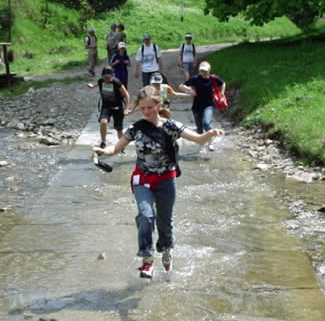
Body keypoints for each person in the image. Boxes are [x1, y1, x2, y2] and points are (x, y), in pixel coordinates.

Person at [93, 85, 225, 278]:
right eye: (142, 108)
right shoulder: (135, 129)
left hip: (166, 181)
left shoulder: (171, 126)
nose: (146, 111)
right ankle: (146, 259)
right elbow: (115, 149)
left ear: (158, 105)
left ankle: (166, 250)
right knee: (146, 216)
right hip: (142, 180)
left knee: (164, 224)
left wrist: (210, 134)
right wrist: (102, 151)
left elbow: (197, 139)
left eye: (150, 107)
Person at [179, 61, 226, 151]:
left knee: (206, 123)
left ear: (209, 70)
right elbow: (181, 86)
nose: (203, 73)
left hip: (208, 105)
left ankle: (210, 143)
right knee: (199, 128)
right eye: (201, 71)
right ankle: (201, 145)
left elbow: (223, 83)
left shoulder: (213, 78)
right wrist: (190, 90)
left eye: (205, 71)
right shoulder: (196, 78)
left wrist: (222, 93)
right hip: (196, 107)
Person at [87, 66, 130, 148]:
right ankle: (103, 142)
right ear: (102, 76)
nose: (106, 79)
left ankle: (121, 146)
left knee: (119, 129)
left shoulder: (117, 82)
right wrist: (91, 86)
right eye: (105, 77)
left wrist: (127, 108)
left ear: (112, 75)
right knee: (103, 122)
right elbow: (96, 84)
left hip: (118, 108)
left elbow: (126, 95)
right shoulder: (101, 81)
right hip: (106, 106)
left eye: (108, 77)